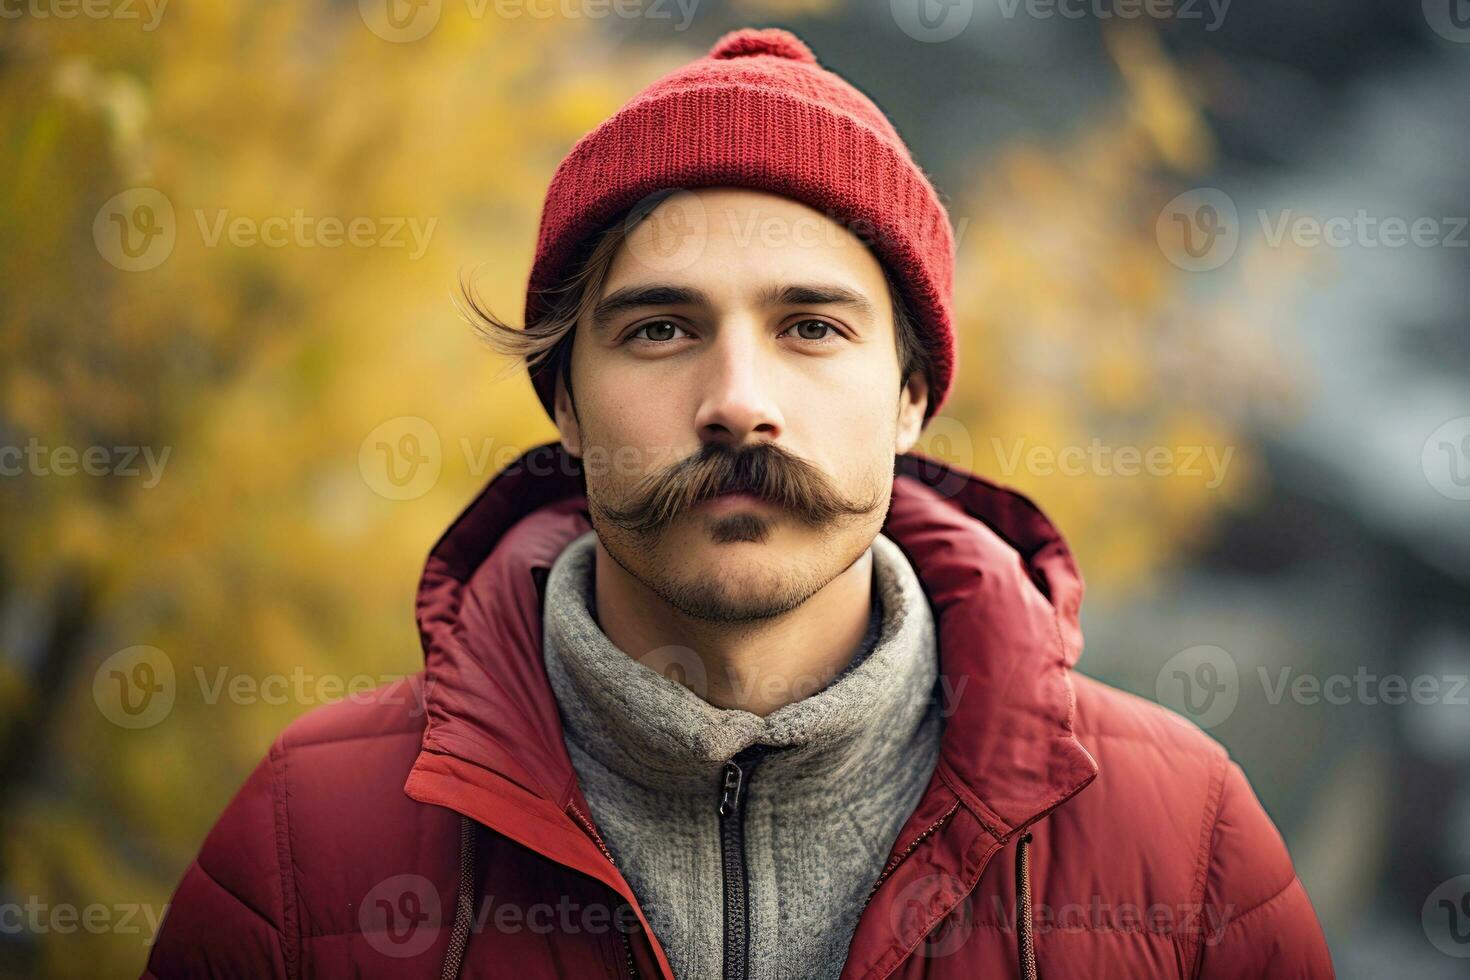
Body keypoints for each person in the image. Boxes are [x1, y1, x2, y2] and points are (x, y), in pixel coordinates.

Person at [144, 26, 1335, 980]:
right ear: (562, 396)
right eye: (661, 328)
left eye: (811, 327)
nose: (736, 401)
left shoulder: (1183, 839)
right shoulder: (310, 834)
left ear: (914, 394)